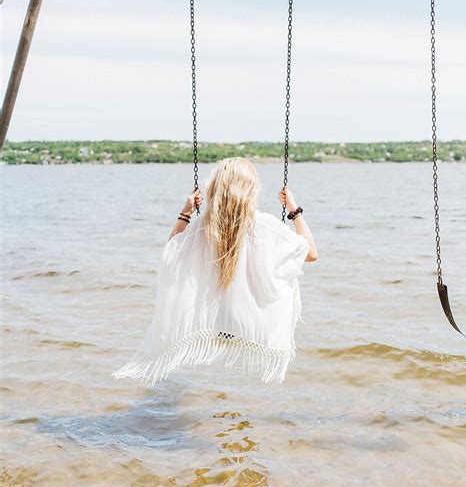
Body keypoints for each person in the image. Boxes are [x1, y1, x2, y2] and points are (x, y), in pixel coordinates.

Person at [112, 157, 318, 386]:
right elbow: (311, 254)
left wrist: (186, 212)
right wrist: (293, 209)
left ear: (215, 188)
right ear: (251, 190)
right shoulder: (265, 225)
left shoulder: (202, 225)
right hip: (250, 322)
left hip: (214, 321)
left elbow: (172, 250)